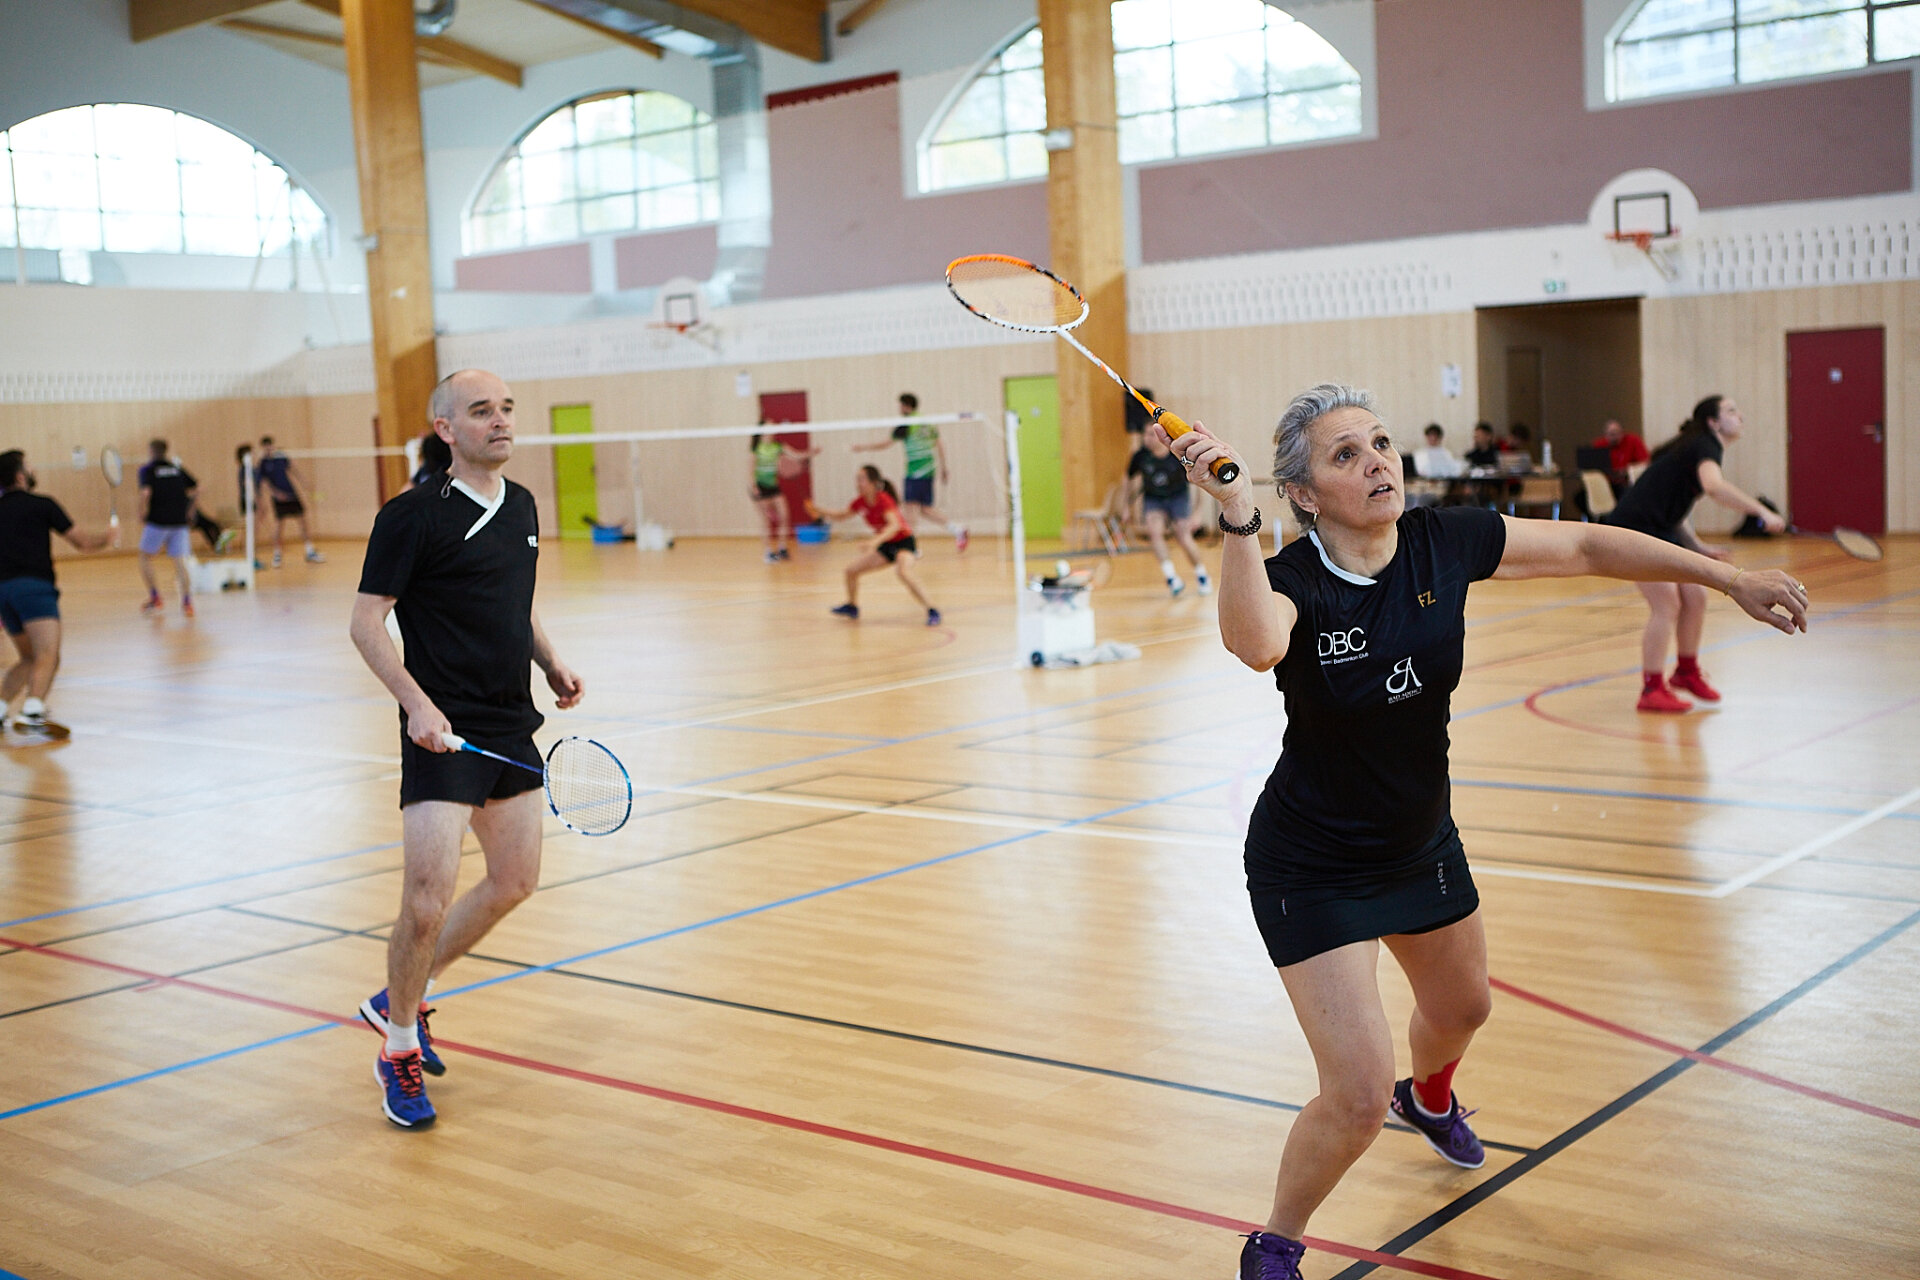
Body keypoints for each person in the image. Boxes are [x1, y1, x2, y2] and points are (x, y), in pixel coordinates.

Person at [1160, 384, 1805, 1280]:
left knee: (1464, 1009)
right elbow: (1257, 643)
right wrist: (1237, 514)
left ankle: (1428, 1098)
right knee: (1354, 1097)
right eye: (1346, 455)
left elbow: (1586, 543)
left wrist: (1729, 578)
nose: (1377, 462)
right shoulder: (1297, 579)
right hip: (1311, 865)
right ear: (1302, 494)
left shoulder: (1443, 540)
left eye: (1380, 442)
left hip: (1419, 841)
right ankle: (1276, 1241)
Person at [348, 368, 586, 1129]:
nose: (501, 421)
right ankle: (398, 1048)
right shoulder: (412, 515)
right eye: (482, 411)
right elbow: (365, 623)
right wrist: (416, 705)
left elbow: (518, 598)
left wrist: (549, 660)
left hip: (510, 723)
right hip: (444, 731)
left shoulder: (523, 505)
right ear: (447, 429)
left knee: (514, 881)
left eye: (507, 408)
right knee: (425, 904)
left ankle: (399, 997)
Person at [1599, 394, 1787, 712]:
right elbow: (1714, 487)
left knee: (1695, 596)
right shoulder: (1705, 445)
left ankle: (1686, 672)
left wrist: (1696, 546)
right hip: (1632, 530)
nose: (1740, 416)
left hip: (1660, 530)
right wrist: (1761, 511)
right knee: (1666, 603)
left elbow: (1675, 508)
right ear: (1713, 422)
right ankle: (1651, 690)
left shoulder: (1695, 447)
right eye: (1731, 411)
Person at [0, 450, 113, 734]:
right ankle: (32, 711)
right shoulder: (43, 504)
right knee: (48, 654)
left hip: (3, 593)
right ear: (20, 476)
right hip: (34, 589)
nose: (33, 469)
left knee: (28, 658)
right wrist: (107, 538)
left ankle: (0, 710)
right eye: (29, 466)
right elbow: (83, 542)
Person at [813, 465, 941, 626]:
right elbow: (842, 515)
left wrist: (874, 541)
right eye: (857, 480)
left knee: (903, 572)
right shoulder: (860, 502)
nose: (858, 483)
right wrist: (820, 511)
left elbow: (894, 526)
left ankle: (932, 610)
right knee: (851, 571)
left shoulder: (884, 500)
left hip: (904, 542)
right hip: (886, 545)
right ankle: (852, 607)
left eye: (862, 479)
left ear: (873, 483)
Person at [852, 393, 967, 552]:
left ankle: (911, 548)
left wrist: (863, 447)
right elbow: (939, 444)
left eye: (900, 405)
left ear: (906, 406)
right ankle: (957, 529)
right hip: (929, 469)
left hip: (916, 472)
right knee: (924, 509)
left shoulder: (907, 423)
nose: (899, 409)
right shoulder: (927, 422)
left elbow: (886, 444)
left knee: (910, 509)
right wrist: (943, 467)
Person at [1127, 427, 1212, 597]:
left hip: (1178, 497)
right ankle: (1171, 577)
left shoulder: (1177, 455)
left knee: (1183, 536)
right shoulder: (1140, 456)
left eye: (1151, 434)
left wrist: (1197, 512)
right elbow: (1127, 479)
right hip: (1154, 498)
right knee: (1154, 533)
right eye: (1145, 434)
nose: (1146, 438)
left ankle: (1202, 574)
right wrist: (1125, 506)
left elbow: (1198, 484)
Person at [137, 438, 197, 616]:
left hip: (158, 521)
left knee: (144, 557)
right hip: (179, 522)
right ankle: (187, 603)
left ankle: (155, 597)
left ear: (151, 451)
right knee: (180, 562)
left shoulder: (147, 470)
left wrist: (141, 512)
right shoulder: (177, 469)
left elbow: (145, 492)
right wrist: (190, 510)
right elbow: (196, 488)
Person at [254, 435, 325, 566]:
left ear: (273, 446)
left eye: (270, 446)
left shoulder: (281, 458)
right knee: (279, 526)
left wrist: (306, 485)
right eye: (266, 447)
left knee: (303, 522)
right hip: (278, 498)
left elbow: (294, 471)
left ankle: (309, 551)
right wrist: (276, 494)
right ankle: (277, 555)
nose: (269, 448)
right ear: (263, 448)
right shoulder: (262, 463)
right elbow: (264, 483)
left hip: (292, 494)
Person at [750, 429, 818, 563]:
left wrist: (810, 452)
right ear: (762, 431)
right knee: (766, 520)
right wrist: (754, 487)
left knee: (784, 516)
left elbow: (796, 455)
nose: (771, 431)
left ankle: (782, 548)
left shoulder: (778, 446)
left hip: (773, 487)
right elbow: (750, 469)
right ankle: (768, 552)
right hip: (760, 488)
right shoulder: (756, 449)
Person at [1591, 418, 1649, 493]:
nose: (1614, 438)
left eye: (1617, 434)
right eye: (1611, 434)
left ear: (1622, 433)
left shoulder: (1633, 441)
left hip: (1627, 481)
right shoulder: (1599, 445)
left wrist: (1627, 470)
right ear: (1605, 435)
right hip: (1606, 482)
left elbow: (1645, 462)